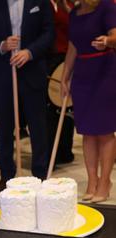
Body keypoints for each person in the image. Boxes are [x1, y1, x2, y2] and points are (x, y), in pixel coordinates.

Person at [0, 0, 55, 193]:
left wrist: (29, 52)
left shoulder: (40, 1)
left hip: (33, 71)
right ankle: (6, 175)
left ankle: (40, 176)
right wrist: (1, 45)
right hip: (3, 73)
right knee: (5, 126)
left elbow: (49, 33)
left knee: (38, 126)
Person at [62, 0, 116, 203]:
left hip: (105, 72)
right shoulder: (74, 13)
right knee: (87, 131)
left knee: (104, 131)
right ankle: (92, 181)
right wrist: (65, 77)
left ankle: (105, 182)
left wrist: (107, 41)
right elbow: (72, 46)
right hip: (82, 74)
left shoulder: (107, 7)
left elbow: (115, 36)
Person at [47, 0, 76, 165]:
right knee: (51, 108)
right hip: (49, 59)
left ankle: (65, 150)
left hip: (68, 58)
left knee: (67, 107)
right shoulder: (45, 4)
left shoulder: (71, 5)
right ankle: (52, 153)